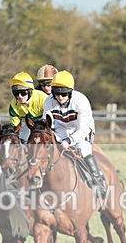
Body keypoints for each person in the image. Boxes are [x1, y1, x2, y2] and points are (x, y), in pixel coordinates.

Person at [42, 70, 107, 200]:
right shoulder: (48, 101)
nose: (60, 97)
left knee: (83, 150)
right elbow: (47, 124)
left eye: (64, 94)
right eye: (57, 93)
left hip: (82, 130)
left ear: (71, 92)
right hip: (61, 129)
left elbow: (82, 129)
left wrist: (68, 141)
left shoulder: (81, 101)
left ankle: (98, 180)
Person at [8, 72, 48, 142]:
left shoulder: (43, 98)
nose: (19, 96)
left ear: (30, 91)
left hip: (44, 125)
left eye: (23, 93)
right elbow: (16, 127)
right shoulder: (13, 105)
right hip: (26, 126)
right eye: (16, 93)